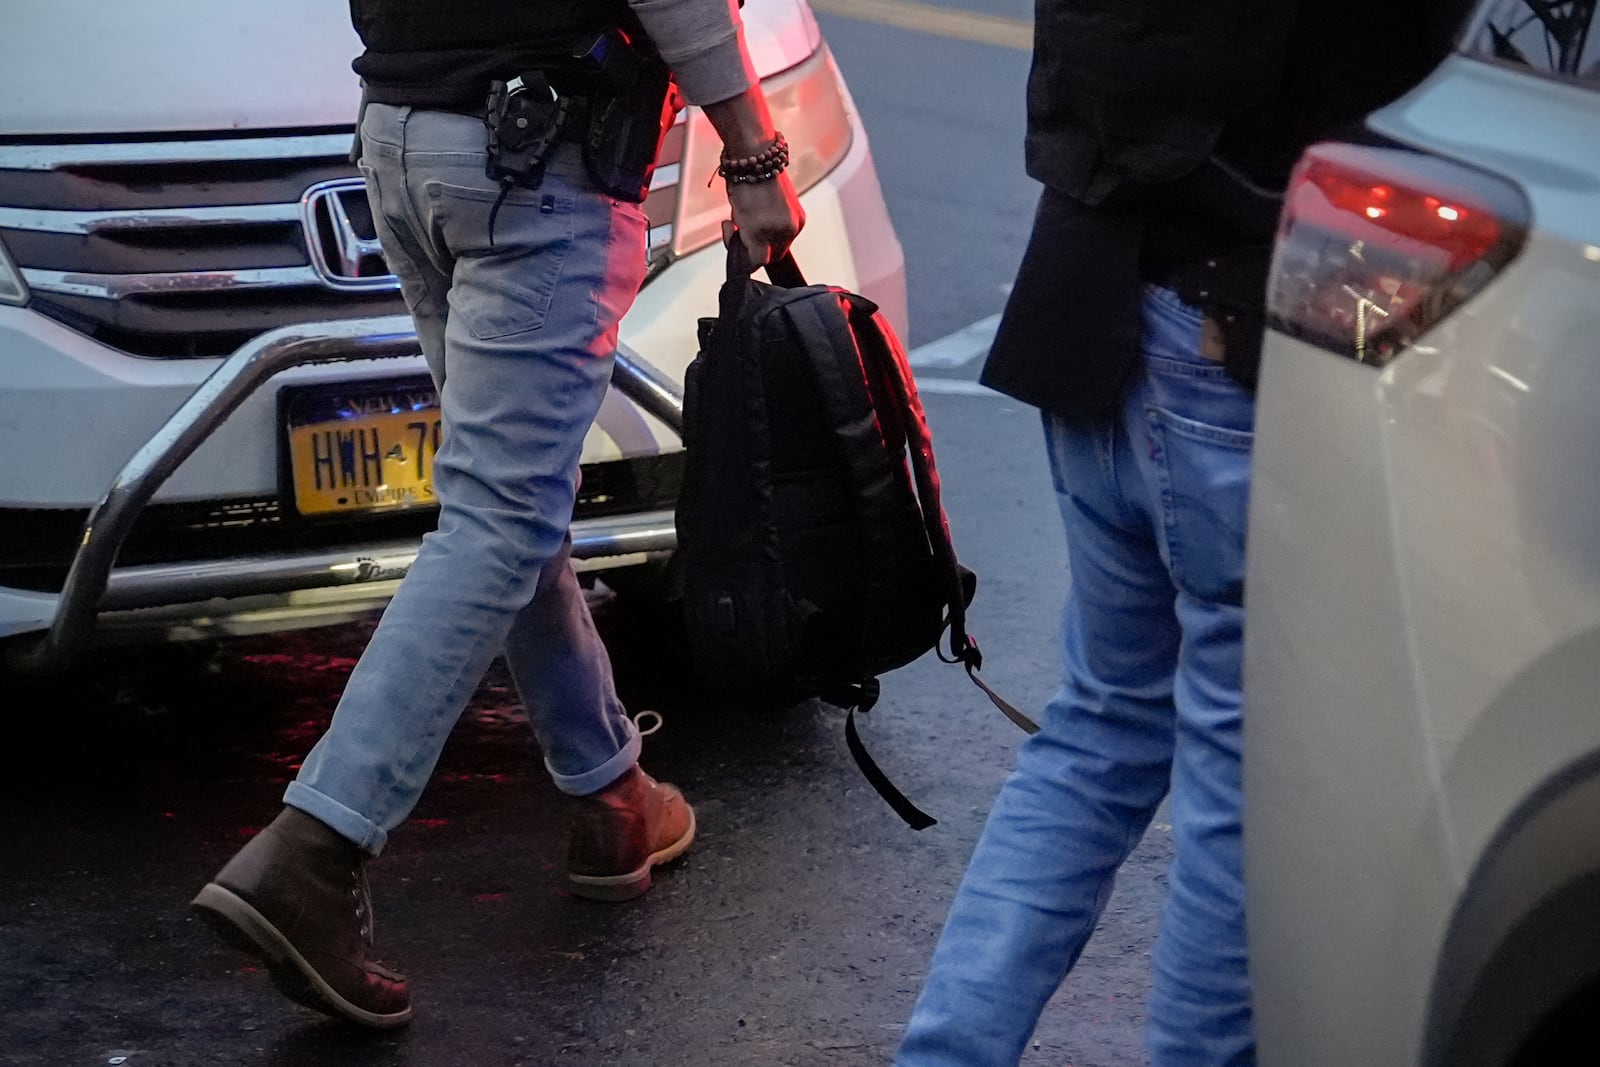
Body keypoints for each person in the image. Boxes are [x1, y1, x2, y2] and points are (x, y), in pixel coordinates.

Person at [190, 0, 803, 1029]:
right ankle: (314, 847)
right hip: (535, 159)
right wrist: (751, 152)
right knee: (499, 519)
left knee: (508, 509)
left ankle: (611, 792)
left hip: (405, 136)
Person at [894, 2, 1467, 1064]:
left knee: (1103, 724)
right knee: (1239, 774)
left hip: (1094, 288)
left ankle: (945, 1050)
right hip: (1239, 322)